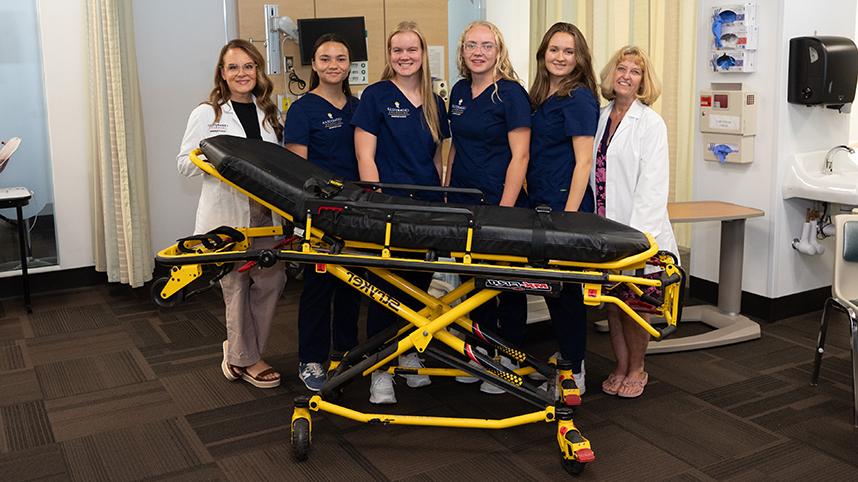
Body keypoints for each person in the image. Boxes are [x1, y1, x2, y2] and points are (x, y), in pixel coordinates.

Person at [351, 20, 450, 404]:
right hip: (388, 205)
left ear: (423, 55)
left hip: (424, 205)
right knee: (385, 290)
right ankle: (379, 369)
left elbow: (438, 157)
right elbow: (365, 155)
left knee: (418, 287)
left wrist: (441, 197)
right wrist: (377, 203)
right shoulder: (375, 96)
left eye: (412, 50)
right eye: (398, 50)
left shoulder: (434, 101)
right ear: (389, 55)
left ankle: (407, 352)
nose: (405, 56)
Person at [178, 39, 285, 388]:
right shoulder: (207, 114)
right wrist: (222, 165)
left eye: (249, 66)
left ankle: (240, 350)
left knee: (272, 280)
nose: (242, 73)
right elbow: (185, 165)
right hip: (228, 214)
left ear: (257, 71)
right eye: (234, 67)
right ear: (222, 74)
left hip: (266, 214)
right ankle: (247, 358)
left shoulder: (269, 113)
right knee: (236, 284)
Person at [444, 20, 530, 394]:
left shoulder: (511, 94)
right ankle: (480, 352)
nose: (478, 52)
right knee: (472, 281)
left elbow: (521, 154)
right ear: (462, 51)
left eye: (486, 46)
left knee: (506, 283)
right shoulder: (460, 91)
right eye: (471, 46)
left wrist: (505, 208)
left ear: (499, 51)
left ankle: (509, 356)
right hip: (465, 201)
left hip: (501, 200)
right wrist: (447, 189)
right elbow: (456, 146)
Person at [593, 46, 678, 398]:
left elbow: (653, 187)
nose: (626, 76)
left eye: (635, 71)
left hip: (636, 232)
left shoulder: (650, 124)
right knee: (613, 304)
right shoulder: (600, 116)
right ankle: (620, 365)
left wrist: (638, 240)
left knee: (636, 304)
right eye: (621, 68)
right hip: (603, 226)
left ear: (644, 80)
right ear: (611, 75)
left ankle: (637, 368)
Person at [284, 34, 362, 392]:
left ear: (350, 64)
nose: (334, 65)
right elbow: (297, 171)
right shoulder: (302, 110)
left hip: (357, 209)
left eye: (341, 59)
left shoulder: (358, 105)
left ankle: (344, 351)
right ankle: (311, 359)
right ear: (313, 65)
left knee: (353, 285)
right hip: (320, 213)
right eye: (326, 59)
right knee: (319, 288)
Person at [527, 22, 599, 394]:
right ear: (543, 54)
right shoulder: (542, 95)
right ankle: (566, 361)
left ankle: (576, 371)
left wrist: (568, 218)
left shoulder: (579, 98)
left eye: (568, 51)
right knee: (553, 290)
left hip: (564, 205)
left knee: (566, 292)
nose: (560, 57)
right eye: (554, 50)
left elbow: (583, 163)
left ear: (579, 57)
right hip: (541, 201)